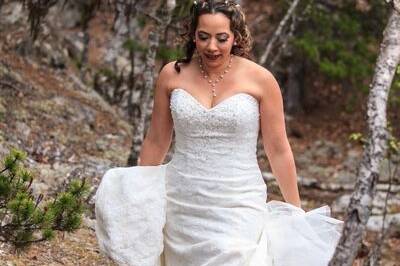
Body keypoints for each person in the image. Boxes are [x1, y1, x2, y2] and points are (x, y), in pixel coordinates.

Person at [95, 1, 343, 265]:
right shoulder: (172, 74)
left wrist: (296, 211)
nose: (212, 46)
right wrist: (139, 193)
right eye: (203, 37)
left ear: (235, 36)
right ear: (193, 35)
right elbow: (156, 140)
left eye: (221, 38)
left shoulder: (261, 80)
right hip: (182, 199)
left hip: (238, 200)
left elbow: (278, 149)